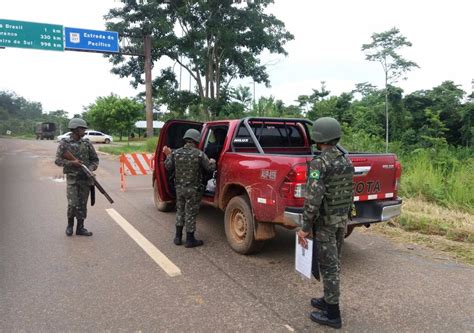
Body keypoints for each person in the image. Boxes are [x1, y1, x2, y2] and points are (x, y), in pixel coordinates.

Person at [296, 117, 354, 329]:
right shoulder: (345, 160)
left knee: (329, 267)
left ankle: (333, 315)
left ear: (319, 138)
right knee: (334, 263)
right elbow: (348, 191)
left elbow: (313, 199)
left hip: (327, 224)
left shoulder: (320, 163)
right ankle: (327, 298)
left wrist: (305, 227)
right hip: (341, 220)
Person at [163, 128, 216, 248]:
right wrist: (213, 161)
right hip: (193, 190)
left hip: (179, 189)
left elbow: (168, 166)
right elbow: (210, 169)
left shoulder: (176, 153)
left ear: (186, 139)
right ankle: (190, 240)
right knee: (190, 213)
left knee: (180, 211)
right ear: (196, 140)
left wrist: (168, 155)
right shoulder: (199, 154)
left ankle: (177, 237)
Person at [55, 118, 99, 237]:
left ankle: (80, 227)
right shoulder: (65, 143)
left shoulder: (87, 143)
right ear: (75, 129)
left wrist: (90, 169)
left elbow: (95, 160)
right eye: (82, 129)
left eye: (84, 128)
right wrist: (72, 163)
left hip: (85, 179)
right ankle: (70, 225)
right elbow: (58, 161)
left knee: (82, 204)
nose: (84, 131)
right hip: (72, 179)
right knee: (72, 204)